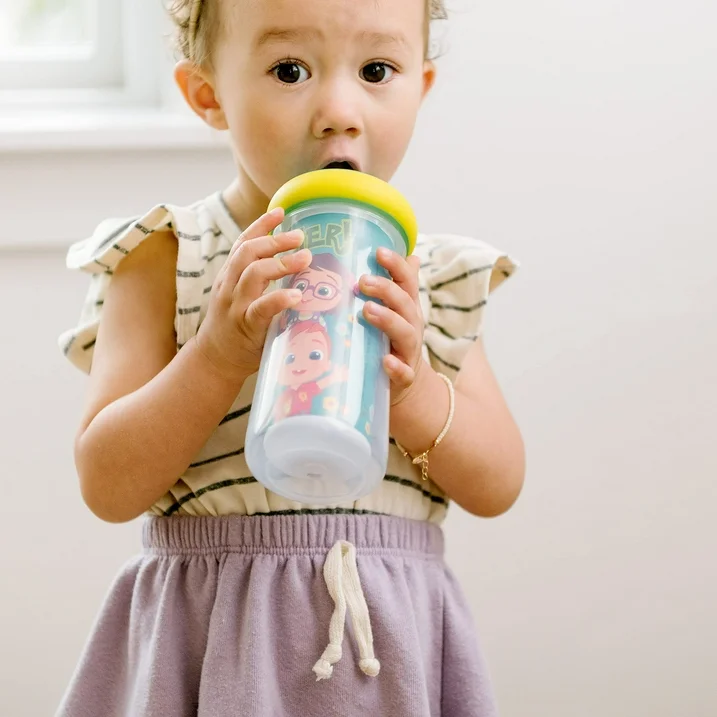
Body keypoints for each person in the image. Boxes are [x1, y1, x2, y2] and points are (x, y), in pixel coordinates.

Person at [57, 0, 525, 714]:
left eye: (376, 70)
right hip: (211, 644)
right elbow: (107, 482)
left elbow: (498, 482)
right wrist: (215, 355)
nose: (339, 112)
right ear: (208, 95)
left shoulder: (431, 281)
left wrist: (414, 391)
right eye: (289, 70)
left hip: (387, 653)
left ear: (420, 88)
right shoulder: (168, 256)